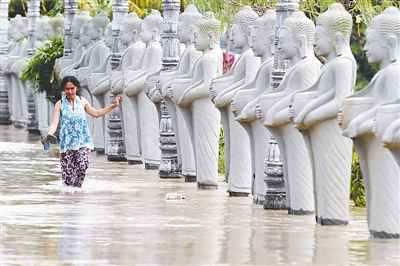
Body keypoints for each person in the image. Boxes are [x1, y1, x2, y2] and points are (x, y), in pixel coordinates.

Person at [46, 76, 122, 187]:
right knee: (68, 178)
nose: (70, 91)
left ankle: (78, 191)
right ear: (63, 89)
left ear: (76, 88)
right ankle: (71, 199)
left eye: (72, 88)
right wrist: (49, 134)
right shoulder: (60, 104)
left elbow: (96, 113)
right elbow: (55, 123)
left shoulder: (82, 101)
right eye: (67, 89)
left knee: (83, 165)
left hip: (83, 142)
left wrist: (113, 105)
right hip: (67, 144)